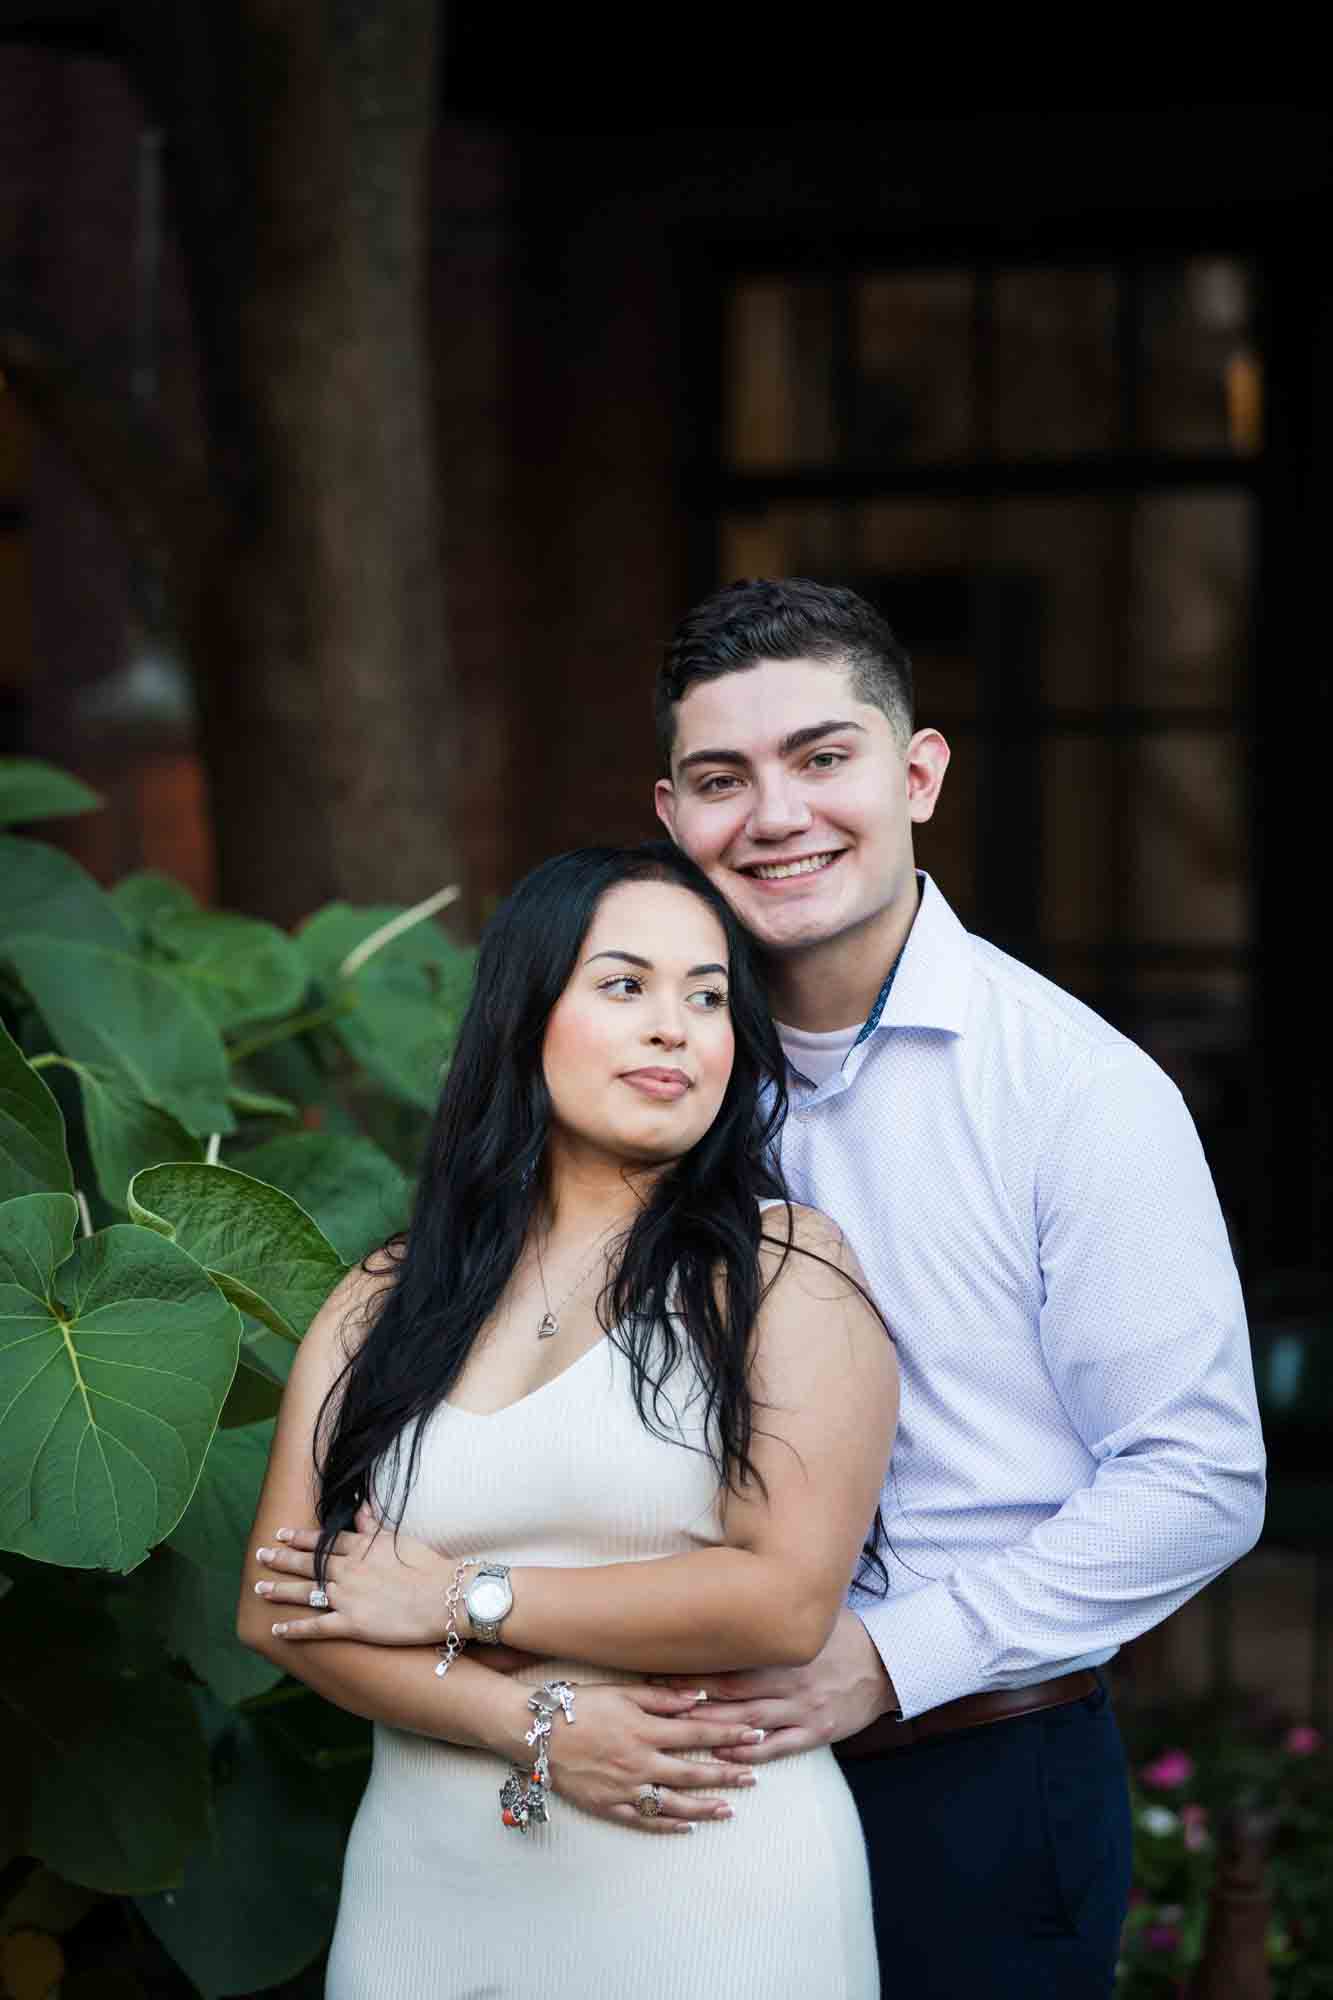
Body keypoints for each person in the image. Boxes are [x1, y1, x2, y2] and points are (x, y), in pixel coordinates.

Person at [644, 576, 1268, 1996]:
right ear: (674, 818)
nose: (777, 814)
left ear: (915, 773)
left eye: (823, 757)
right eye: (722, 778)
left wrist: (889, 1655)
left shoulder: (1077, 1092)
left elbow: (1198, 1476)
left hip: (975, 1781)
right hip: (683, 1781)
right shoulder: (644, 1078)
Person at [238, 842, 897, 1999]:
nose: (673, 1027)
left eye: (707, 996)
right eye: (625, 984)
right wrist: (523, 1715)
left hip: (704, 1873)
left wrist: (453, 1595)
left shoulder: (783, 1268)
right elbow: (280, 1603)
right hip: (423, 1888)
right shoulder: (382, 1300)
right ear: (522, 1016)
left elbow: (785, 1597)